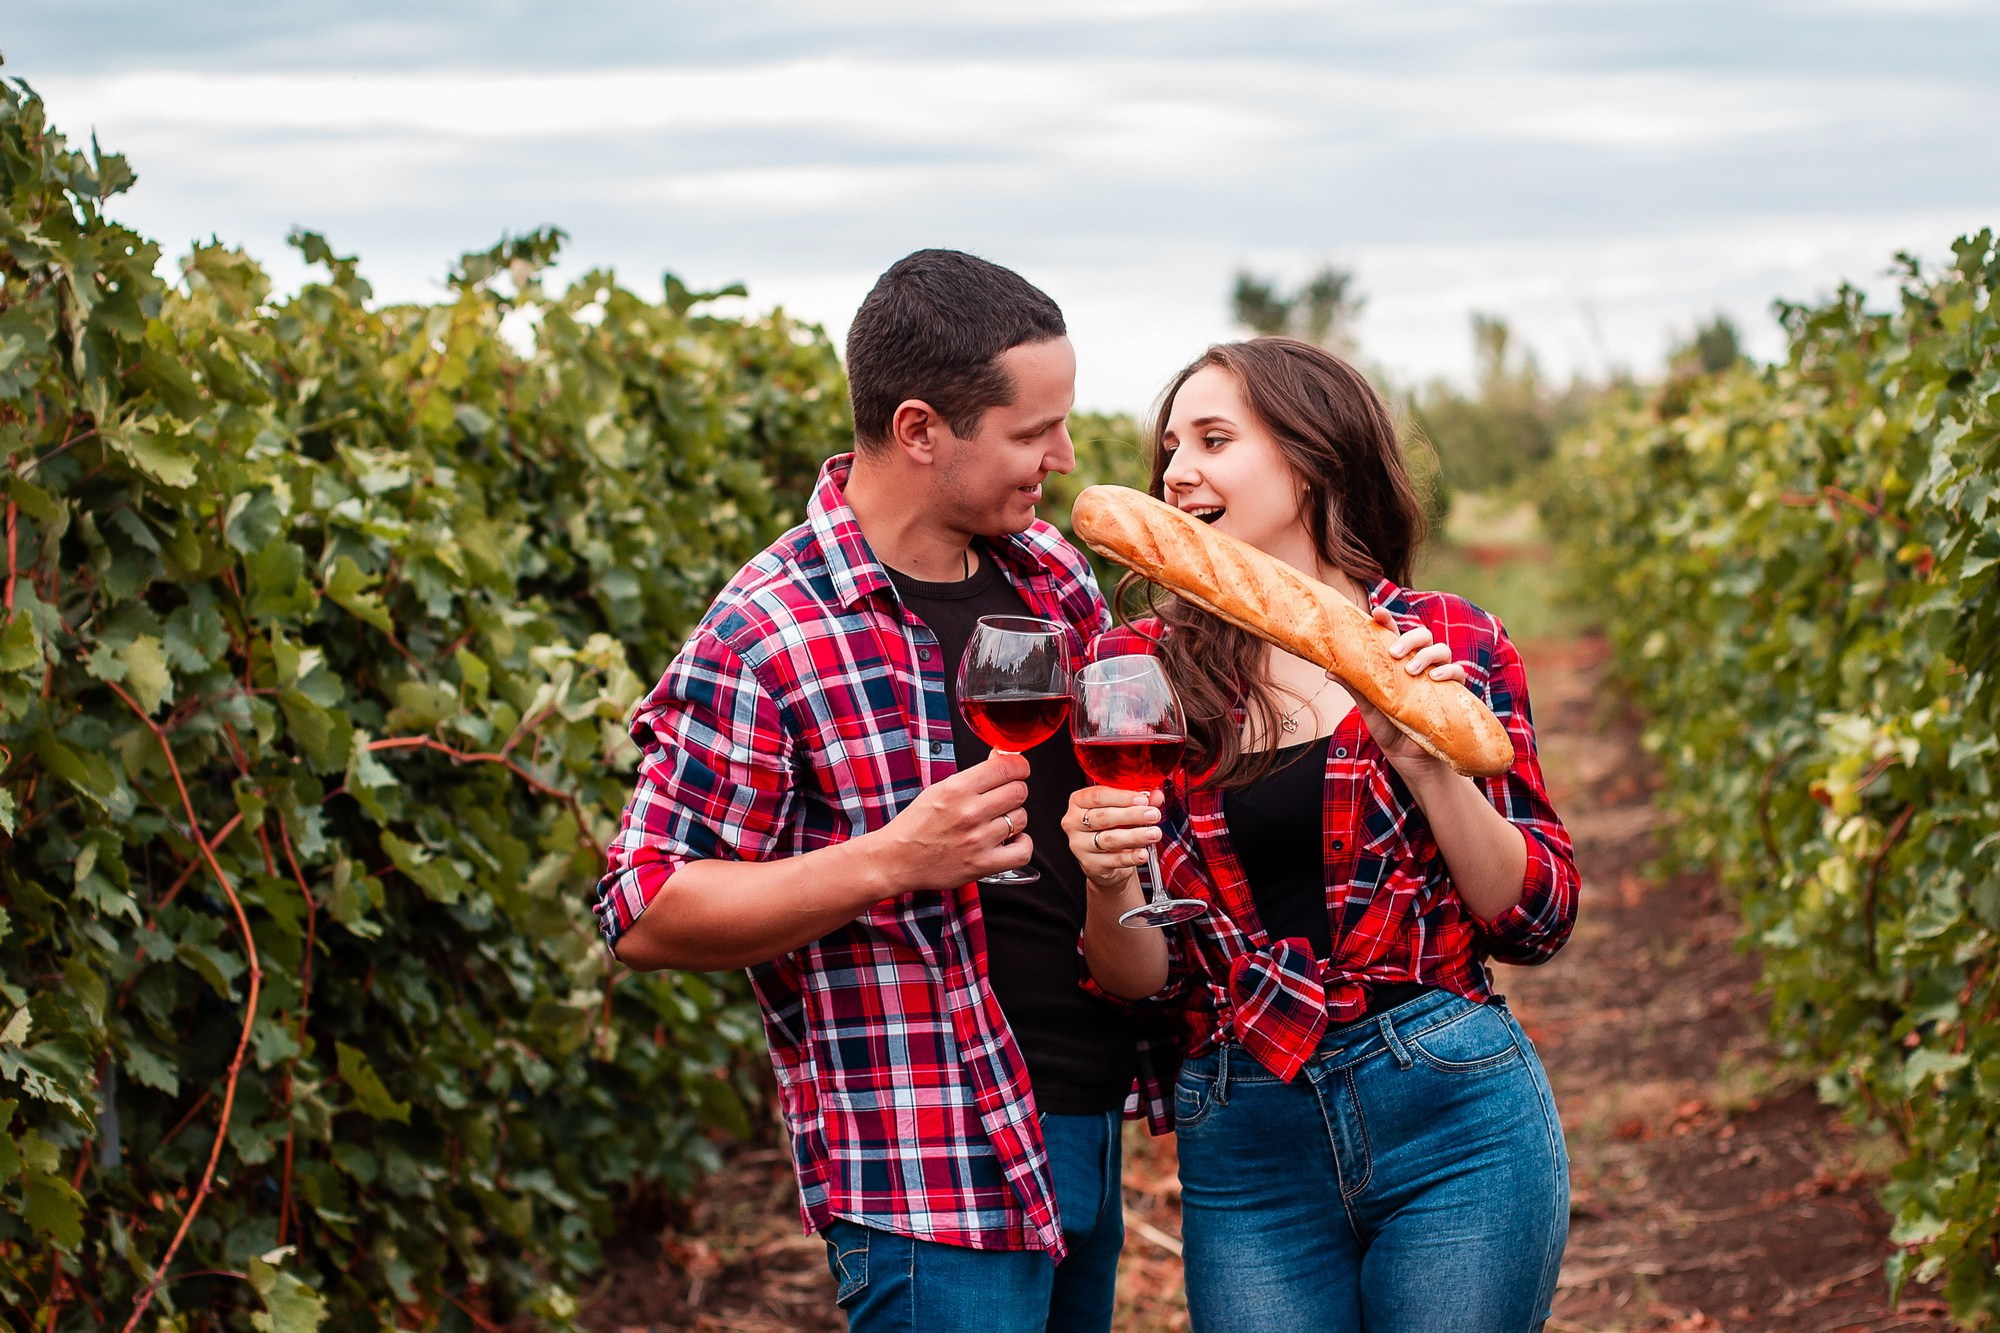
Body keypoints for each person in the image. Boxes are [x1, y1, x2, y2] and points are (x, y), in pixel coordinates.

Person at [595, 250, 1158, 1333]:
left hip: (1081, 1118)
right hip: (923, 1161)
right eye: (1032, 430)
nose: (1064, 455)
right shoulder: (768, 632)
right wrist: (891, 860)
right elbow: (644, 909)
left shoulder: (1052, 574)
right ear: (918, 431)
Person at [1065, 338, 1578, 1333]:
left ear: (1311, 458)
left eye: (1214, 439)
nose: (1176, 471)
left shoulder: (1442, 642)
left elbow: (1533, 917)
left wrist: (1427, 755)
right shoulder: (1134, 670)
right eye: (1169, 446)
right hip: (1243, 1128)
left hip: (1451, 1109)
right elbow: (1141, 981)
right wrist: (1103, 877)